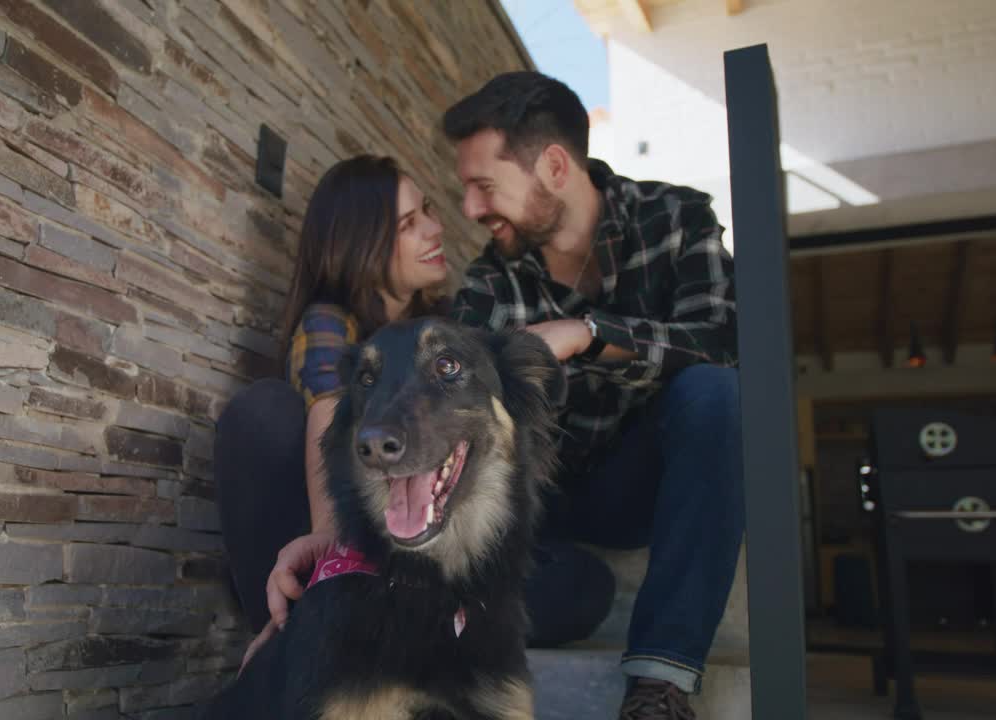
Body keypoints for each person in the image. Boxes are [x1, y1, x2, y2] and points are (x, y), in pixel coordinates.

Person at [443, 71, 745, 720]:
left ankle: (661, 682)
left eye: (484, 186)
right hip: (536, 501)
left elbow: (719, 340)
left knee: (717, 393)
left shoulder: (677, 219)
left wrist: (588, 334)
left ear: (554, 165)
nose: (469, 209)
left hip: (633, 484)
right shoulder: (488, 283)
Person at [213, 154, 450, 665]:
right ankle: (292, 626)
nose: (435, 228)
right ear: (362, 244)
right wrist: (327, 544)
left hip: (421, 540)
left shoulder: (446, 327)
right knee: (263, 410)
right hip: (341, 530)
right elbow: (330, 408)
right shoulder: (328, 322)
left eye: (427, 211)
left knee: (582, 588)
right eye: (410, 224)